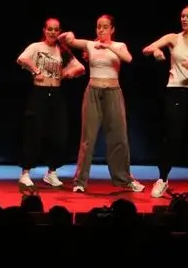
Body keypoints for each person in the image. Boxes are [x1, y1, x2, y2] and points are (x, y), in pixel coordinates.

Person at [59, 15, 144, 194]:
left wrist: (109, 46)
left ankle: (124, 179)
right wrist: (69, 35)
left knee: (118, 138)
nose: (101, 30)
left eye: (105, 27)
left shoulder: (119, 46)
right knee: (87, 139)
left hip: (113, 92)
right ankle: (80, 181)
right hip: (93, 93)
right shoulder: (91, 44)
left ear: (112, 29)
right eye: (98, 27)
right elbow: (69, 41)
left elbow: (128, 59)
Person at [142, 4, 188, 199]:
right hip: (176, 92)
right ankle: (163, 179)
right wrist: (156, 51)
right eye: (182, 16)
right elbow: (147, 49)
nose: (184, 19)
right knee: (173, 137)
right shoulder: (173, 38)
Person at [15, 17, 86, 188]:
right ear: (44, 30)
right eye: (50, 29)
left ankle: (51, 172)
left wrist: (67, 74)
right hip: (39, 93)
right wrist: (35, 69)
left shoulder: (63, 51)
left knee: (59, 135)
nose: (53, 33)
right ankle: (25, 173)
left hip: (56, 94)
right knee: (34, 133)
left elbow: (81, 68)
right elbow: (21, 59)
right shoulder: (36, 47)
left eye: (56, 30)